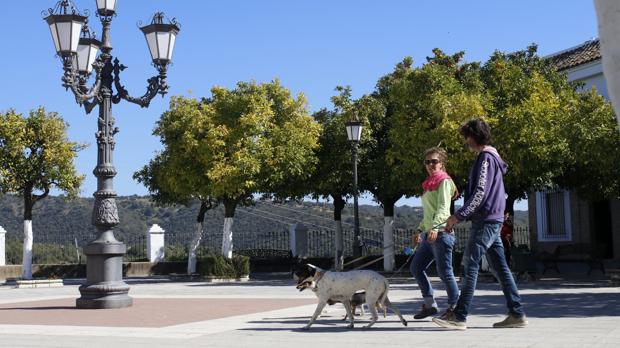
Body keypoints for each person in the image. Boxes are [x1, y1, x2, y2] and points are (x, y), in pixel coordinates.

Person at [433, 118, 527, 330]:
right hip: (492, 219)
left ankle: (460, 316)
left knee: (469, 265)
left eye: (467, 136)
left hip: (485, 221)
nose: (466, 141)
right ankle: (517, 313)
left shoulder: (485, 158)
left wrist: (459, 215)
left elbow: (480, 193)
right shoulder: (491, 158)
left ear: (474, 136)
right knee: (500, 269)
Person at [410, 147, 459, 320]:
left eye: (434, 161)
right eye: (427, 162)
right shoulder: (428, 183)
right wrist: (419, 230)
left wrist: (436, 227)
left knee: (445, 272)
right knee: (416, 267)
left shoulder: (444, 181)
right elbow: (428, 213)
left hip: (441, 233)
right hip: (429, 234)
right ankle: (430, 305)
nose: (431, 165)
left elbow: (443, 208)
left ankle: (455, 309)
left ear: (442, 163)